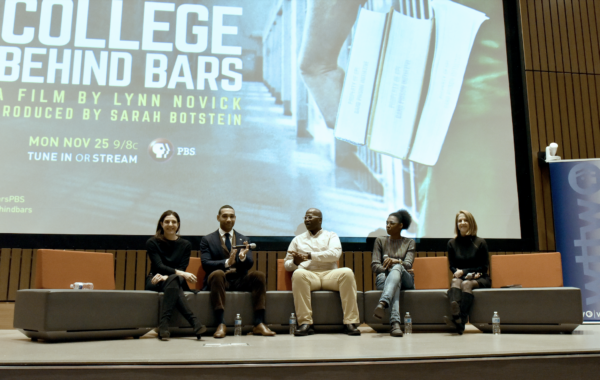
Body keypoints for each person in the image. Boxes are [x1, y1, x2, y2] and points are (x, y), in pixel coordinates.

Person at [200, 205, 276, 338]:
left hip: (239, 279)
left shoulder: (243, 239)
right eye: (225, 216)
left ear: (235, 218)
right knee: (217, 274)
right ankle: (221, 323)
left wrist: (241, 258)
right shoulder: (207, 239)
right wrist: (226, 263)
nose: (229, 219)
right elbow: (206, 264)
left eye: (232, 216)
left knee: (259, 275)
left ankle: (259, 323)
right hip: (219, 280)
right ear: (218, 218)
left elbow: (250, 263)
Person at [285, 208, 361, 336]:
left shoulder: (331, 235)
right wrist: (295, 263)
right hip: (309, 275)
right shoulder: (297, 240)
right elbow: (287, 265)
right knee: (297, 273)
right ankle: (306, 323)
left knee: (347, 272)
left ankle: (350, 322)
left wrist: (310, 256)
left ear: (320, 220)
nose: (306, 219)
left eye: (310, 217)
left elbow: (335, 254)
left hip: (329, 275)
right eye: (305, 217)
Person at [146, 210, 206, 341]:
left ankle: (164, 325)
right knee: (175, 278)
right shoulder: (152, 242)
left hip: (174, 280)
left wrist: (168, 276)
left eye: (174, 222)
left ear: (178, 225)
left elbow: (181, 268)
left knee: (174, 279)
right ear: (161, 224)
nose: (170, 224)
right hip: (155, 280)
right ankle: (194, 321)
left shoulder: (185, 245)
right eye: (167, 221)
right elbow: (159, 266)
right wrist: (181, 274)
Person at [444, 210, 491, 335]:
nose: (462, 223)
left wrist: (464, 271)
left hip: (479, 277)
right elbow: (452, 266)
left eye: (465, 220)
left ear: (471, 223)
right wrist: (457, 273)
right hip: (462, 277)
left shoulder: (480, 242)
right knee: (455, 281)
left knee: (466, 284)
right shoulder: (451, 243)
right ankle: (457, 317)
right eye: (460, 221)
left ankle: (461, 320)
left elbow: (484, 267)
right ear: (457, 224)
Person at [371, 210, 415, 337]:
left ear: (400, 225)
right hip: (384, 279)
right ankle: (395, 324)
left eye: (392, 223)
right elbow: (374, 265)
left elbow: (408, 264)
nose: (388, 226)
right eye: (386, 223)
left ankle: (383, 303)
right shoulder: (380, 241)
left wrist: (396, 263)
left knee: (397, 268)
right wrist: (389, 269)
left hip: (406, 280)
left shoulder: (409, 243)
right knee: (396, 281)